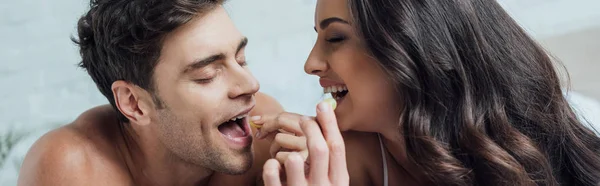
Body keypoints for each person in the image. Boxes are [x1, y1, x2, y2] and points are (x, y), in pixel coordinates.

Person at [257, 0, 600, 185]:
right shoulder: (337, 160)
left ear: (417, 48)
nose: (311, 63)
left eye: (334, 38)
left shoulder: (549, 147)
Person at [17, 0, 284, 185]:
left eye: (241, 59)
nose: (250, 85)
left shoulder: (267, 140)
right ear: (134, 103)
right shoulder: (73, 167)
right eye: (208, 75)